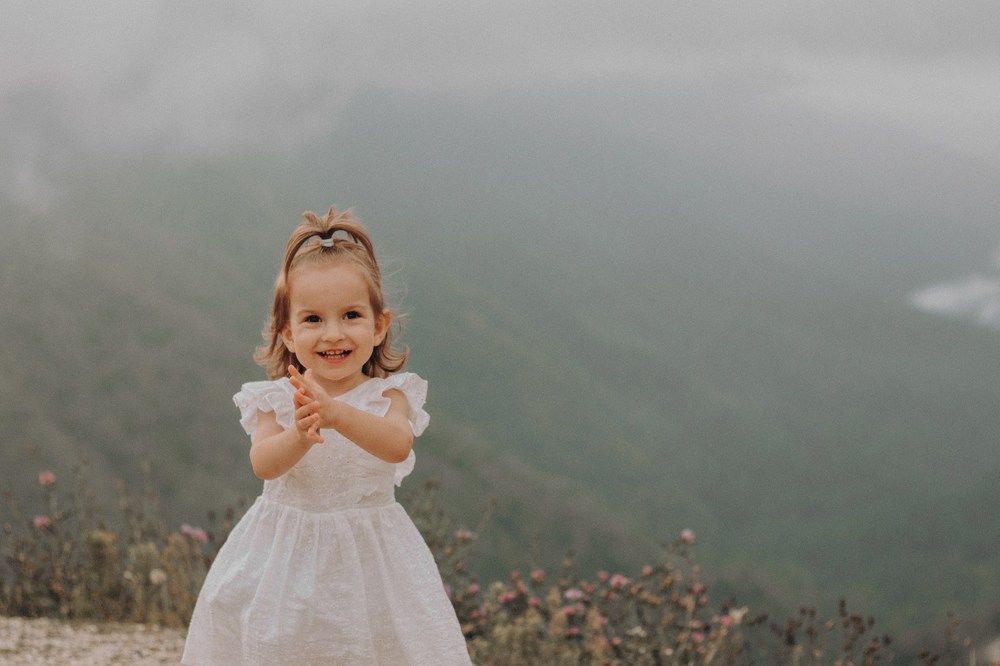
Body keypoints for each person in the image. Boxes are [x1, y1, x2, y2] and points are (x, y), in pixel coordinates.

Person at [182, 206, 473, 665]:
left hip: (372, 559)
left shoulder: (390, 395)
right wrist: (299, 434)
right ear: (288, 334)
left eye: (351, 315)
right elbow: (263, 464)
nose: (332, 334)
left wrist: (337, 414)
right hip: (285, 555)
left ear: (379, 326)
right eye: (313, 319)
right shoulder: (276, 399)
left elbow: (397, 445)